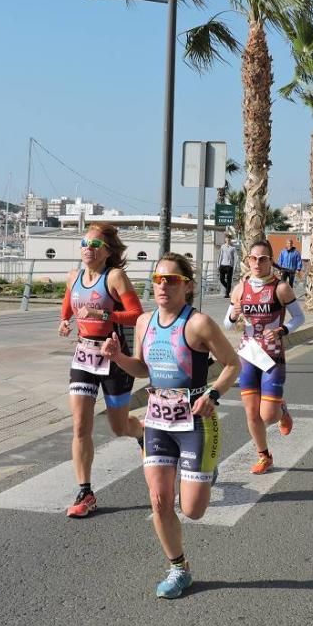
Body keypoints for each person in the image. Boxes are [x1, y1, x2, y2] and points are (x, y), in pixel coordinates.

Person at [100, 253, 240, 599]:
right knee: (160, 501)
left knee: (192, 510)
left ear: (187, 286)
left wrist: (212, 394)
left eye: (171, 280)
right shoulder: (144, 322)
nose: (162, 285)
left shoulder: (199, 324)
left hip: (195, 420)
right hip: (158, 420)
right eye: (158, 279)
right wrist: (118, 357)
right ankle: (179, 567)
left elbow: (232, 365)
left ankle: (206, 471)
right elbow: (143, 369)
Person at [58, 222, 144, 518]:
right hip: (84, 355)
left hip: (114, 356)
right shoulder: (74, 276)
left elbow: (137, 316)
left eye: (95, 244)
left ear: (108, 251)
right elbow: (69, 302)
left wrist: (105, 314)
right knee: (81, 425)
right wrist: (64, 320)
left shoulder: (115, 277)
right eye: (84, 242)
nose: (87, 248)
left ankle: (141, 433)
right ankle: (85, 491)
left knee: (119, 427)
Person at [225, 239, 305, 475]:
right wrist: (233, 316)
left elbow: (298, 318)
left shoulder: (281, 288)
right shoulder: (240, 289)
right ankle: (264, 456)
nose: (257, 263)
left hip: (272, 355)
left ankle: (282, 411)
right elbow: (227, 325)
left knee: (267, 415)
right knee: (251, 412)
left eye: (263, 259)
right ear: (247, 260)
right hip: (248, 354)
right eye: (253, 258)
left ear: (271, 261)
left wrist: (283, 330)